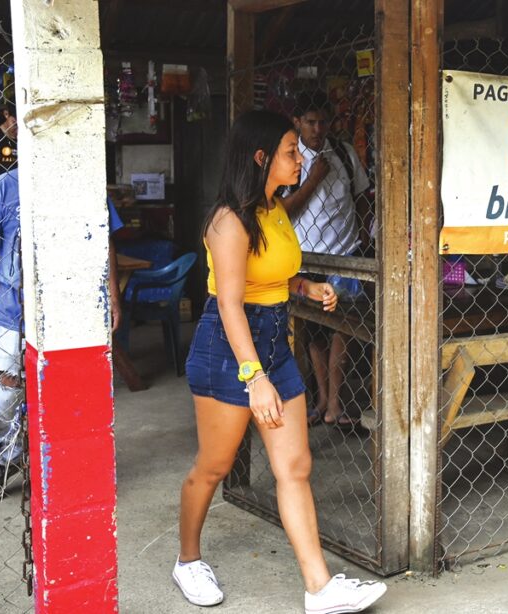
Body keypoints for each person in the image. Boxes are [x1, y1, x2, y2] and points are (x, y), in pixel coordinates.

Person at [176, 110, 387, 612]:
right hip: (229, 350)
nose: (300, 159)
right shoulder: (228, 221)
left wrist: (306, 286)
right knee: (214, 465)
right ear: (261, 157)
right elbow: (230, 303)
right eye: (292, 151)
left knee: (295, 465)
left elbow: (273, 277)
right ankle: (187, 560)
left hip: (273, 341)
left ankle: (320, 588)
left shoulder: (273, 210)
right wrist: (254, 379)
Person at [0, 170, 125, 503]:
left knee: (70, 388)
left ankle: (66, 463)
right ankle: (2, 460)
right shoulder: (4, 186)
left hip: (72, 307)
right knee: (6, 388)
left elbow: (104, 240)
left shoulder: (83, 176)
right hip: (15, 307)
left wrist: (112, 294)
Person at [282, 90, 372, 427]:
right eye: (310, 122)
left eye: (322, 122)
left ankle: (334, 403)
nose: (317, 129)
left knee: (343, 329)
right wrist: (314, 179)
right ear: (297, 123)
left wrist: (364, 230)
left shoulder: (345, 154)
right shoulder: (293, 160)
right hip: (307, 259)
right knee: (315, 333)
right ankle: (322, 399)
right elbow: (284, 212)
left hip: (345, 254)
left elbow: (361, 195)